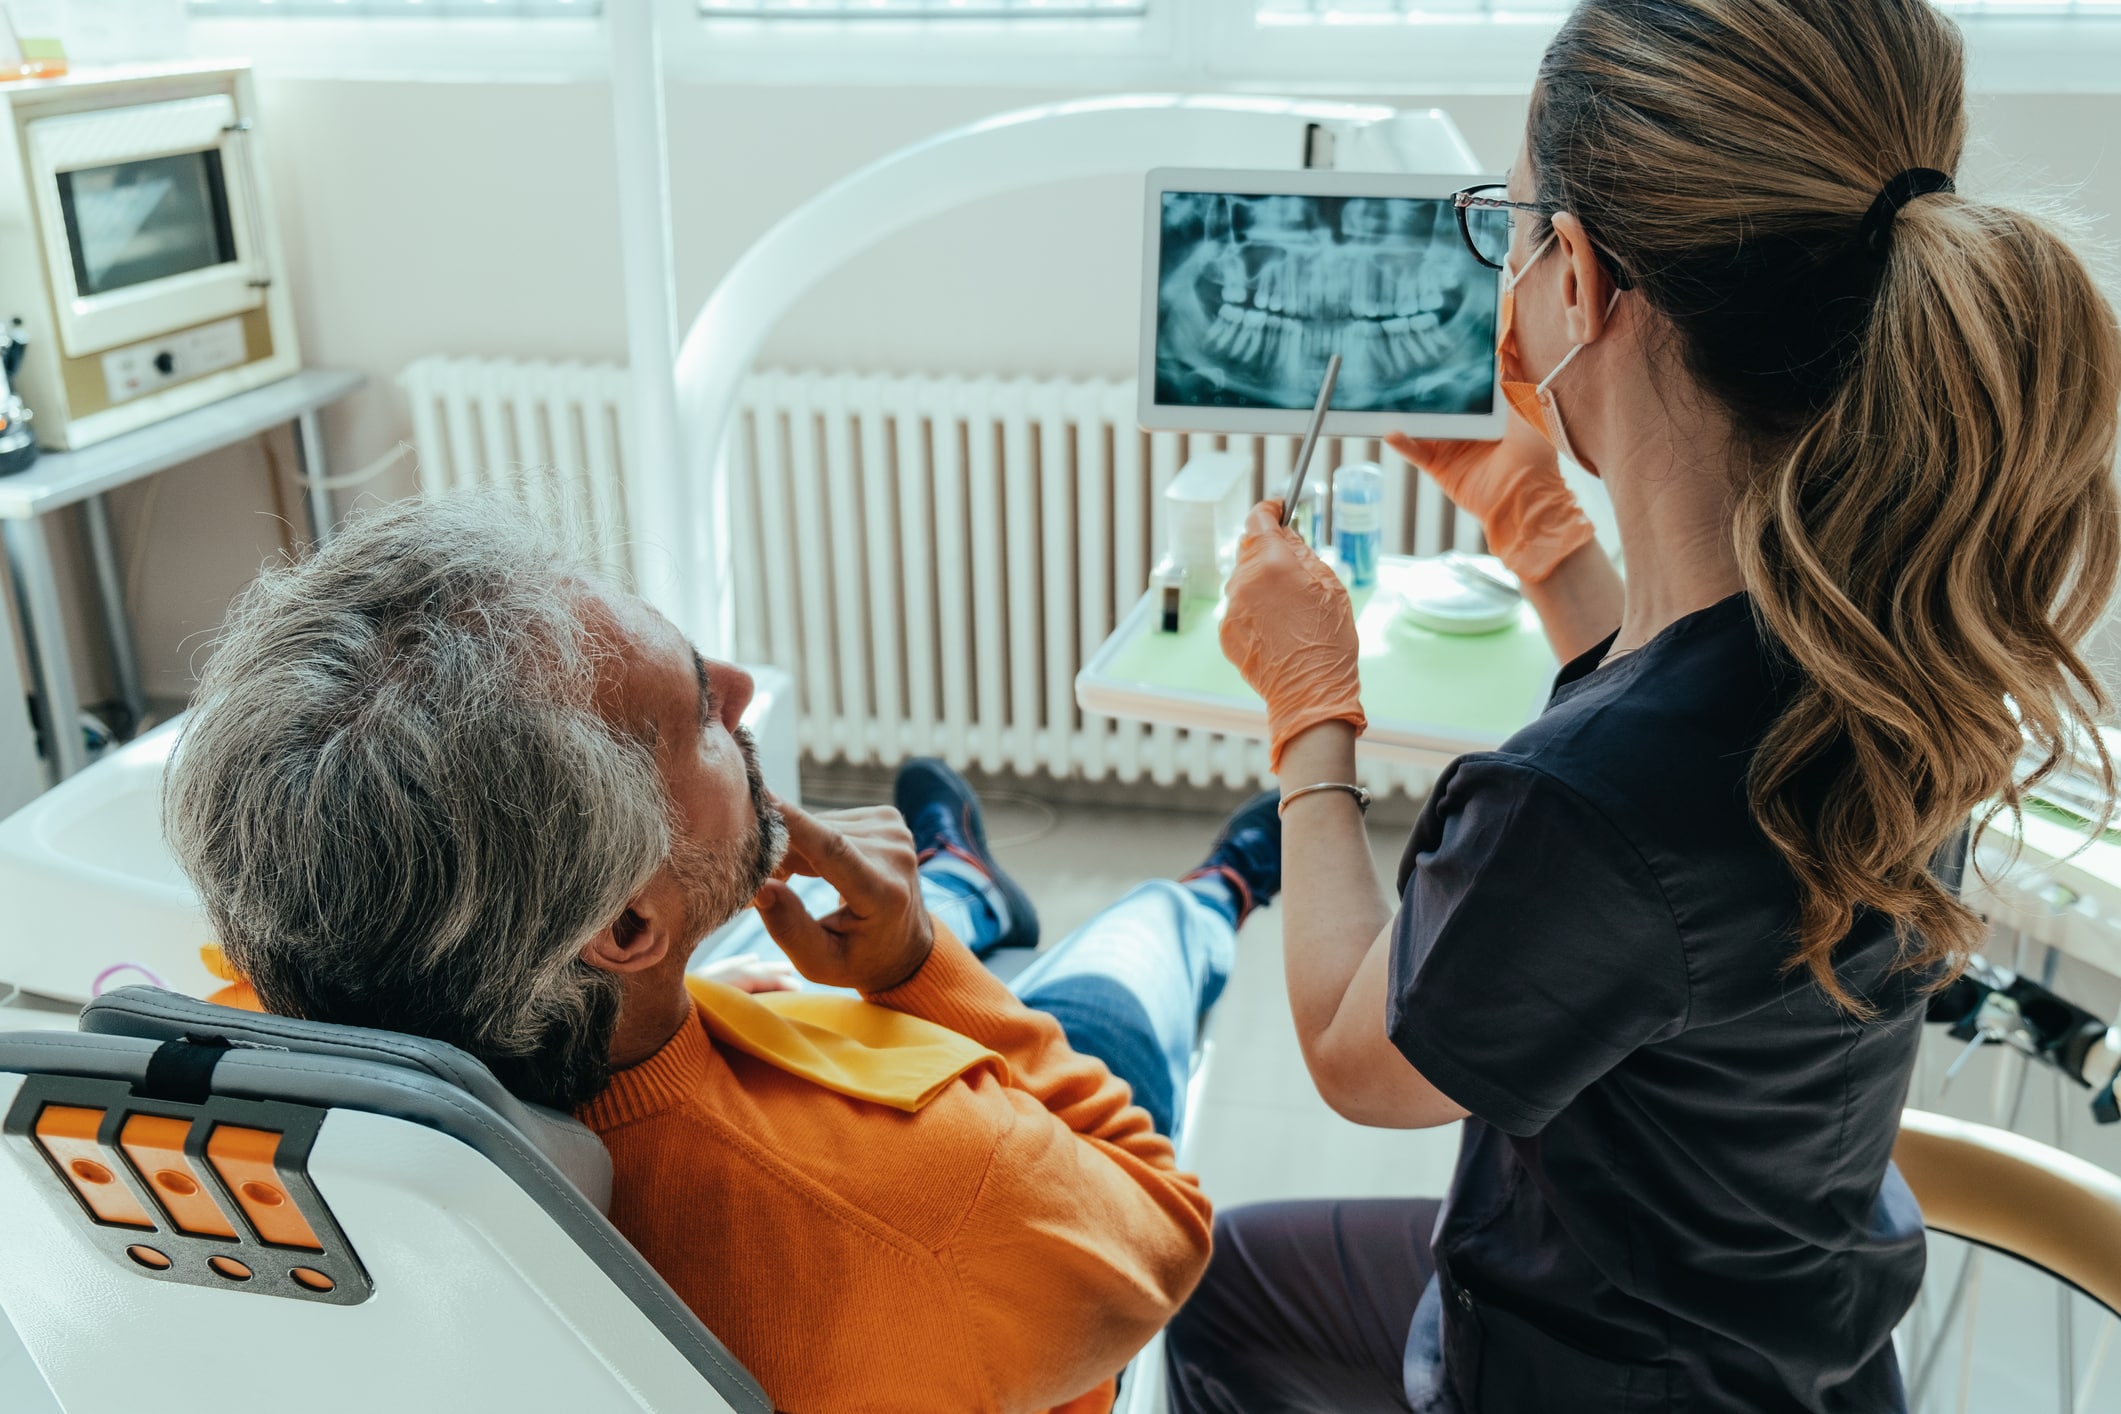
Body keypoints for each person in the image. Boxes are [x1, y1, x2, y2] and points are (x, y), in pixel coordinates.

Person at [1167, 1, 2120, 1411]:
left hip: (1592, 1367)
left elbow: (1357, 1055)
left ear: (1587, 282)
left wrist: (1311, 710)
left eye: (1518, 226)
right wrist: (1545, 539)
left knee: (1211, 1293)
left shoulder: (1569, 809)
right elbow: (1691, 724)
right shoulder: (1895, 635)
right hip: (1798, 1339)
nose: (1513, 264)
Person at [161, 494, 1284, 1414]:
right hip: (1029, 1157)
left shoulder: (271, 1116)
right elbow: (1164, 1227)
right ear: (626, 932)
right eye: (698, 708)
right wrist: (918, 970)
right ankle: (1213, 890)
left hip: (744, 1031)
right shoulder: (936, 1193)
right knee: (1124, 971)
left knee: (874, 906)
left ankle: (962, 881)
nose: (741, 687)